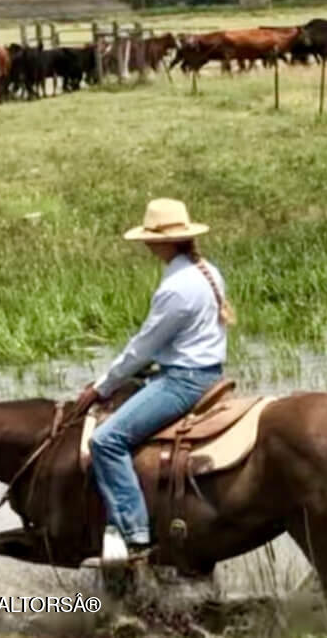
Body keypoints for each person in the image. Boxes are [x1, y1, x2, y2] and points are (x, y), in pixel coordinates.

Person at [77, 198, 234, 566]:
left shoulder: (176, 287)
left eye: (150, 239)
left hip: (183, 380)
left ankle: (135, 536)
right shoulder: (206, 270)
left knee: (106, 440)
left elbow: (143, 347)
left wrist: (102, 386)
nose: (147, 245)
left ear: (164, 242)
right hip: (207, 372)